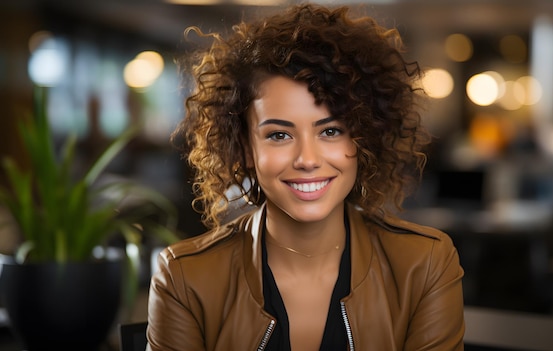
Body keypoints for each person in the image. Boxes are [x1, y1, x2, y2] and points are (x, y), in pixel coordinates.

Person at [146, 3, 465, 350]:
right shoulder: (183, 277)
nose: (307, 160)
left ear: (364, 139)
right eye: (279, 135)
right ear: (246, 149)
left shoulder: (425, 265)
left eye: (330, 131)